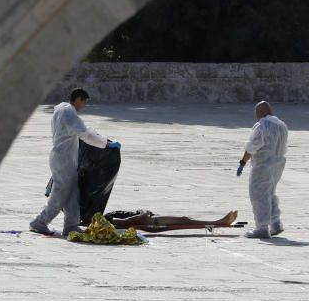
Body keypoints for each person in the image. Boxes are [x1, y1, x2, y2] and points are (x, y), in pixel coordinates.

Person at [30, 89, 121, 236]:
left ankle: (71, 225)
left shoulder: (61, 111)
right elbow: (85, 134)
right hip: (63, 159)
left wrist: (99, 137)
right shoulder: (68, 114)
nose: (84, 106)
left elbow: (83, 129)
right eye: (84, 102)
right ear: (78, 99)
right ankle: (39, 222)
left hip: (64, 158)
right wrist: (106, 144)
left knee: (73, 192)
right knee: (60, 194)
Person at [236, 101, 288, 238]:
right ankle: (275, 223)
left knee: (259, 196)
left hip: (263, 165)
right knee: (270, 193)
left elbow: (252, 146)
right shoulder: (282, 125)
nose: (256, 116)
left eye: (257, 112)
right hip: (278, 164)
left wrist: (242, 162)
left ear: (261, 112)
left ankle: (262, 227)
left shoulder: (262, 125)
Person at [104, 210, 239, 233]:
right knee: (184, 220)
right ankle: (219, 222)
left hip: (153, 218)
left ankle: (219, 221)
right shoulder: (111, 218)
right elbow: (127, 221)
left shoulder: (111, 215)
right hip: (153, 221)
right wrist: (143, 214)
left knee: (185, 220)